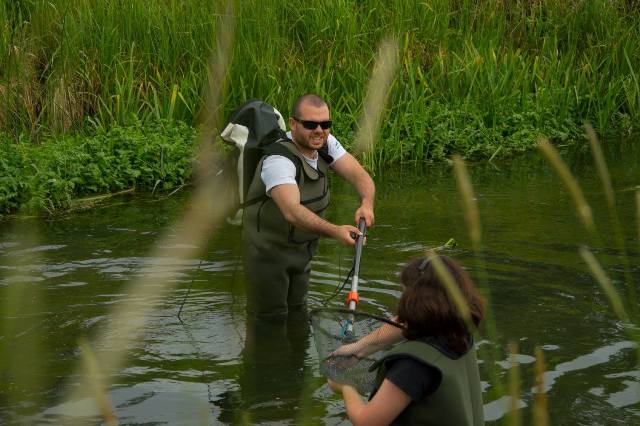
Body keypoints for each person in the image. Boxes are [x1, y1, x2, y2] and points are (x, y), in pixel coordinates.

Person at [241, 93, 375, 318]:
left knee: (298, 314)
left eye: (326, 124)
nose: (319, 130)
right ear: (293, 124)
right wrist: (336, 231)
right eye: (311, 124)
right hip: (267, 254)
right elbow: (291, 211)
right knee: (269, 321)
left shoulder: (324, 143)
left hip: (302, 252)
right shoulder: (279, 160)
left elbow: (359, 175)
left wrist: (367, 204)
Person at [327, 255, 486, 426]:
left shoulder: (412, 366)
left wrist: (346, 387)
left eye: (404, 293)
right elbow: (405, 323)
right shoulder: (458, 333)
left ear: (418, 303)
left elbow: (367, 422)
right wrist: (358, 349)